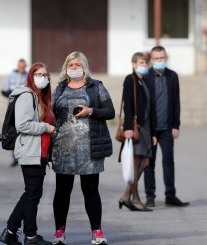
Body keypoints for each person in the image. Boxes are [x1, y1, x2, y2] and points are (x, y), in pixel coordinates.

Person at [51, 51, 114, 245]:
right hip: (63, 148)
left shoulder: (96, 87)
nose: (75, 68)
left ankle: (97, 232)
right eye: (71, 64)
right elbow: (51, 113)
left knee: (91, 190)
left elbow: (110, 112)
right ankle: (59, 232)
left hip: (89, 148)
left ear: (84, 67)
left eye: (78, 64)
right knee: (62, 191)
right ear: (66, 67)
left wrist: (91, 111)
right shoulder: (60, 88)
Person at [0, 63, 55, 245]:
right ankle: (30, 235)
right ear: (31, 76)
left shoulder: (41, 97)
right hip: (30, 150)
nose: (42, 78)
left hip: (40, 152)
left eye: (45, 75)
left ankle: (10, 231)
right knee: (32, 193)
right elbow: (22, 124)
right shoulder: (26, 96)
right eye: (38, 74)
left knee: (32, 193)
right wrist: (47, 127)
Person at [143, 46, 189, 208]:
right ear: (150, 60)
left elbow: (176, 102)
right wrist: (148, 129)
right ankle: (150, 196)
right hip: (151, 129)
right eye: (156, 59)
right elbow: (144, 105)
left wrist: (176, 125)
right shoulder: (146, 76)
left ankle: (170, 196)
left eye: (162, 58)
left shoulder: (172, 76)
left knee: (169, 162)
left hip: (168, 128)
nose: (159, 61)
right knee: (149, 163)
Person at [118, 52, 156, 212]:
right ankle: (137, 200)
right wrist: (127, 128)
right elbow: (127, 105)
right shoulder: (130, 79)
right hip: (135, 127)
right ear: (134, 64)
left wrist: (153, 132)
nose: (144, 65)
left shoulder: (144, 80)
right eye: (141, 62)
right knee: (134, 164)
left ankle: (126, 196)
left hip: (146, 128)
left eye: (146, 63)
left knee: (145, 162)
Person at [1, 58, 28, 167]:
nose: (21, 69)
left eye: (23, 67)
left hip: (25, 106)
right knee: (13, 130)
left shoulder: (28, 76)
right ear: (17, 66)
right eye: (20, 67)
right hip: (13, 106)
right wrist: (14, 95)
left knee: (24, 130)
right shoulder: (11, 76)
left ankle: (24, 156)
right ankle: (15, 157)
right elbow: (3, 90)